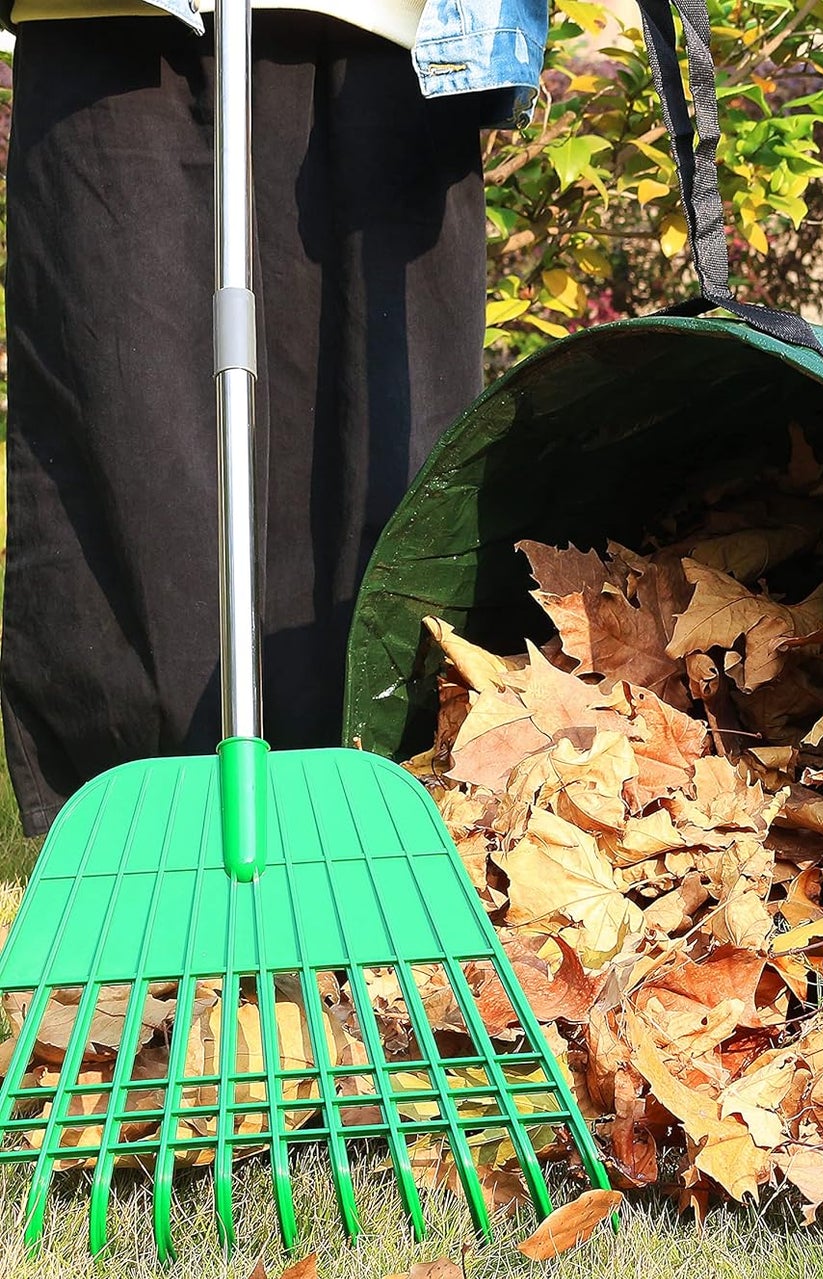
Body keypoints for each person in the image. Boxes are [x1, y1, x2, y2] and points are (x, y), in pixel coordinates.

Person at [0, 0, 550, 835]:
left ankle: (386, 803)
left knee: (384, 450)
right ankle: (142, 827)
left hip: (390, 25)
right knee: (123, 423)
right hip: (116, 17)